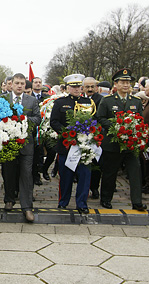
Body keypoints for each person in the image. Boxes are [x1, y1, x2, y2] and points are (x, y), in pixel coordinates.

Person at [97, 68, 147, 211]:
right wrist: (116, 126)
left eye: (128, 82)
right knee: (110, 173)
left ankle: (137, 201)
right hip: (113, 143)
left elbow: (140, 120)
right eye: (123, 82)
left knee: (135, 171)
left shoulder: (136, 101)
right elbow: (100, 118)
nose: (126, 85)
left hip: (131, 144)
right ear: (116, 84)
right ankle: (106, 198)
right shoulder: (107, 101)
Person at [50, 74, 95, 214]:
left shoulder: (88, 102)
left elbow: (94, 119)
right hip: (66, 145)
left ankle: (82, 203)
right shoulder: (60, 102)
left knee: (84, 175)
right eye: (73, 87)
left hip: (84, 146)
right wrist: (66, 133)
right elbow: (54, 121)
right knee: (65, 176)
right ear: (68, 87)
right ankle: (63, 201)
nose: (76, 89)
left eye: (78, 87)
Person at [2, 73, 41, 222]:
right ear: (11, 84)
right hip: (8, 143)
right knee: (9, 172)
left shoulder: (31, 101)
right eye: (17, 83)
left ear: (25, 85)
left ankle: (27, 207)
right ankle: (9, 199)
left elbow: (38, 119)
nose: (19, 86)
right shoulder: (3, 99)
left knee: (26, 174)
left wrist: (23, 119)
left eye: (22, 84)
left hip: (26, 144)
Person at [82, 77, 103, 200]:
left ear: (96, 87)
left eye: (92, 86)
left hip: (96, 135)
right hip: (82, 135)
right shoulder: (80, 100)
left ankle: (94, 187)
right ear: (83, 88)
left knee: (96, 163)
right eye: (87, 87)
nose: (90, 89)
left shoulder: (101, 100)